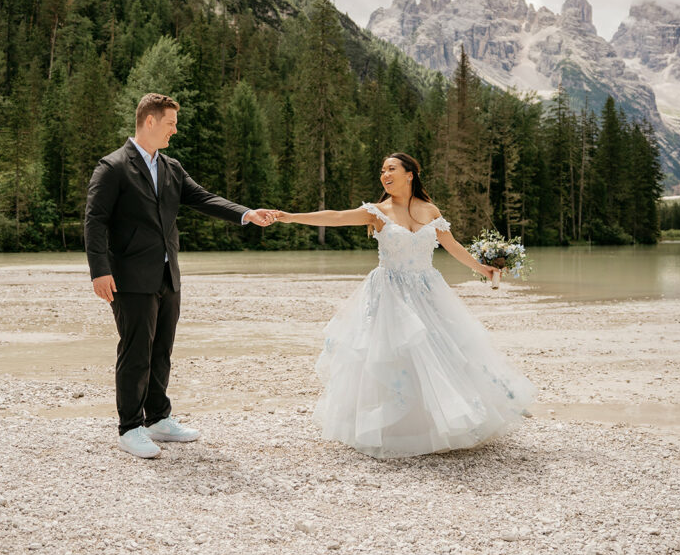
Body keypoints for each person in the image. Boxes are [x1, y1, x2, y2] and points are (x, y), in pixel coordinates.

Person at [275, 153, 537, 458]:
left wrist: (483, 269)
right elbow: (335, 216)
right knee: (392, 355)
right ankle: (399, 430)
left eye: (391, 169)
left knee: (443, 350)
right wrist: (289, 216)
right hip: (389, 292)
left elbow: (452, 247)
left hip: (428, 290)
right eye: (382, 170)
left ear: (410, 174)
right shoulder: (376, 212)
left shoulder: (430, 210)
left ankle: (451, 420)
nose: (385, 174)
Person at [85, 93, 276, 460]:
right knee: (136, 349)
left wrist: (246, 213)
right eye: (171, 123)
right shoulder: (112, 167)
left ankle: (158, 418)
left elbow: (203, 199)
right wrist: (100, 271)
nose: (175, 129)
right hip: (129, 276)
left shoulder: (171, 167)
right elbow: (95, 221)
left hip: (167, 274)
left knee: (162, 349)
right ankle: (130, 427)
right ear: (151, 121)